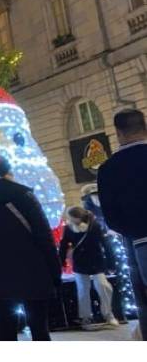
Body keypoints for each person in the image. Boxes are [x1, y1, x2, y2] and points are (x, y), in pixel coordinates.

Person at [0, 156, 61, 341]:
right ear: (7, 172)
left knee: (6, 328)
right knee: (39, 328)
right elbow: (44, 236)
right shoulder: (23, 195)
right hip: (33, 271)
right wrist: (54, 271)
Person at [98, 108, 147, 340]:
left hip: (138, 242)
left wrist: (130, 230)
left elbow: (111, 216)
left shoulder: (109, 169)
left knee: (144, 300)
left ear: (118, 132)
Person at [59, 206, 118, 329]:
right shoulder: (69, 228)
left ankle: (108, 314)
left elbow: (106, 244)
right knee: (82, 290)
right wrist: (62, 261)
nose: (70, 220)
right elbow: (64, 244)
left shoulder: (94, 226)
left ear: (77, 217)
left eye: (71, 218)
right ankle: (86, 317)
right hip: (80, 262)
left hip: (96, 261)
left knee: (103, 286)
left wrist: (111, 262)